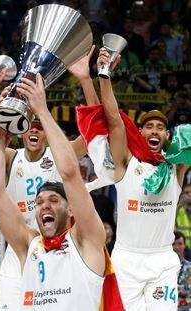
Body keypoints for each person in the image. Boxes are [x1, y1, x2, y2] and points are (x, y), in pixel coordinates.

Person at [0, 49, 97, 310]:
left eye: (40, 127)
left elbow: (92, 136)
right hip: (21, 244)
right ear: (20, 128)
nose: (34, 130)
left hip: (58, 245)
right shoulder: (12, 155)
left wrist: (87, 82)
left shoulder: (59, 155)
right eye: (30, 124)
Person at [97, 48, 190, 310]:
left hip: (162, 259)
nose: (155, 130)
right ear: (140, 132)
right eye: (149, 126)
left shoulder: (176, 166)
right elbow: (114, 120)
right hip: (127, 260)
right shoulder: (126, 162)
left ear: (166, 136)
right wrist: (105, 75)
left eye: (160, 127)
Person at [173, 231, 191, 308]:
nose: (176, 247)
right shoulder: (162, 268)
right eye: (173, 244)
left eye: (180, 244)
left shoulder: (189, 267)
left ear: (184, 245)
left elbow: (187, 291)